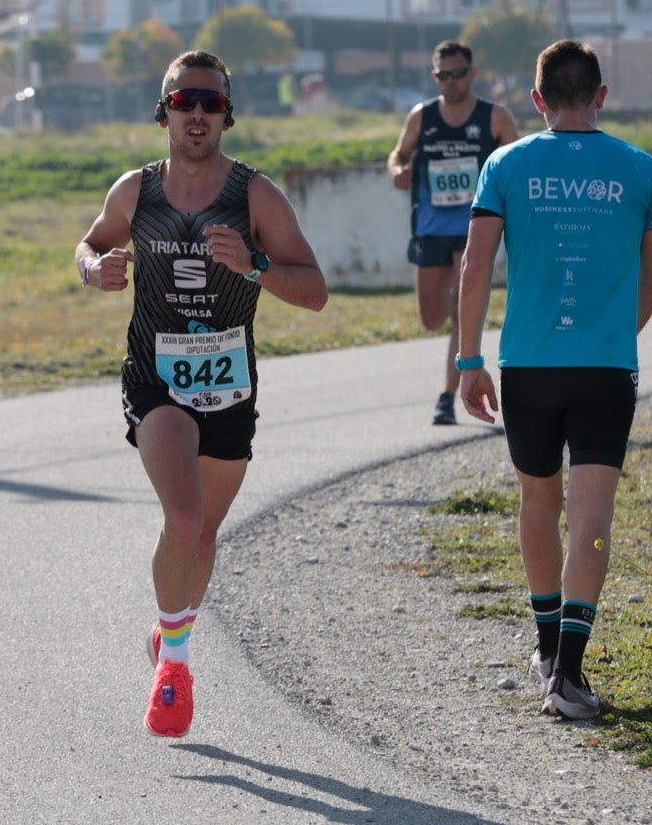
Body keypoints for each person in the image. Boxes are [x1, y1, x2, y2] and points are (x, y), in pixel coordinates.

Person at [77, 50, 327, 738]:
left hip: (229, 383)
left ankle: (170, 631)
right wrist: (94, 269)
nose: (196, 113)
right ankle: (176, 667)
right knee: (182, 516)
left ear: (227, 115)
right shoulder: (137, 191)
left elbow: (315, 292)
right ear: (163, 112)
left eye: (210, 103)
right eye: (184, 101)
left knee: (204, 535)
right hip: (155, 377)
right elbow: (89, 245)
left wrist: (257, 265)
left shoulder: (255, 196)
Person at [454, 39, 652, 720]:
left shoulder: (506, 163)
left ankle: (547, 648)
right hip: (606, 367)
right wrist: (610, 336)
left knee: (537, 504)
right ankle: (569, 676)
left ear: (537, 99)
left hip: (527, 368)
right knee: (593, 514)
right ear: (601, 96)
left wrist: (468, 361)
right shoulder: (640, 168)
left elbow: (475, 266)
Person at [387, 40, 519, 426]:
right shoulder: (421, 116)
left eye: (458, 74)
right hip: (431, 226)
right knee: (431, 318)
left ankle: (447, 395)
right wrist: (398, 170)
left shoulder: (495, 117)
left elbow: (517, 163)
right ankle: (457, 325)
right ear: (435, 77)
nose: (451, 81)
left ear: (472, 74)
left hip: (476, 227)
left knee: (464, 313)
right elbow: (398, 154)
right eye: (444, 75)